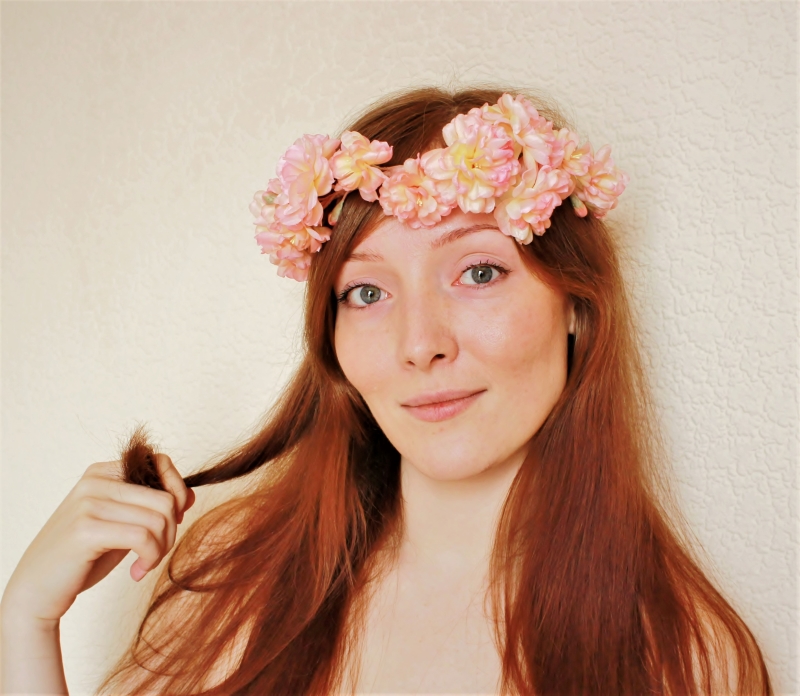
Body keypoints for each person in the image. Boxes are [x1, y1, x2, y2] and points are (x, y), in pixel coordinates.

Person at [0, 85, 773, 695]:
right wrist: (26, 624)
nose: (419, 344)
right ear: (330, 340)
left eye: (478, 272)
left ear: (575, 304)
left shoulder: (683, 657)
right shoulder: (235, 580)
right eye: (366, 293)